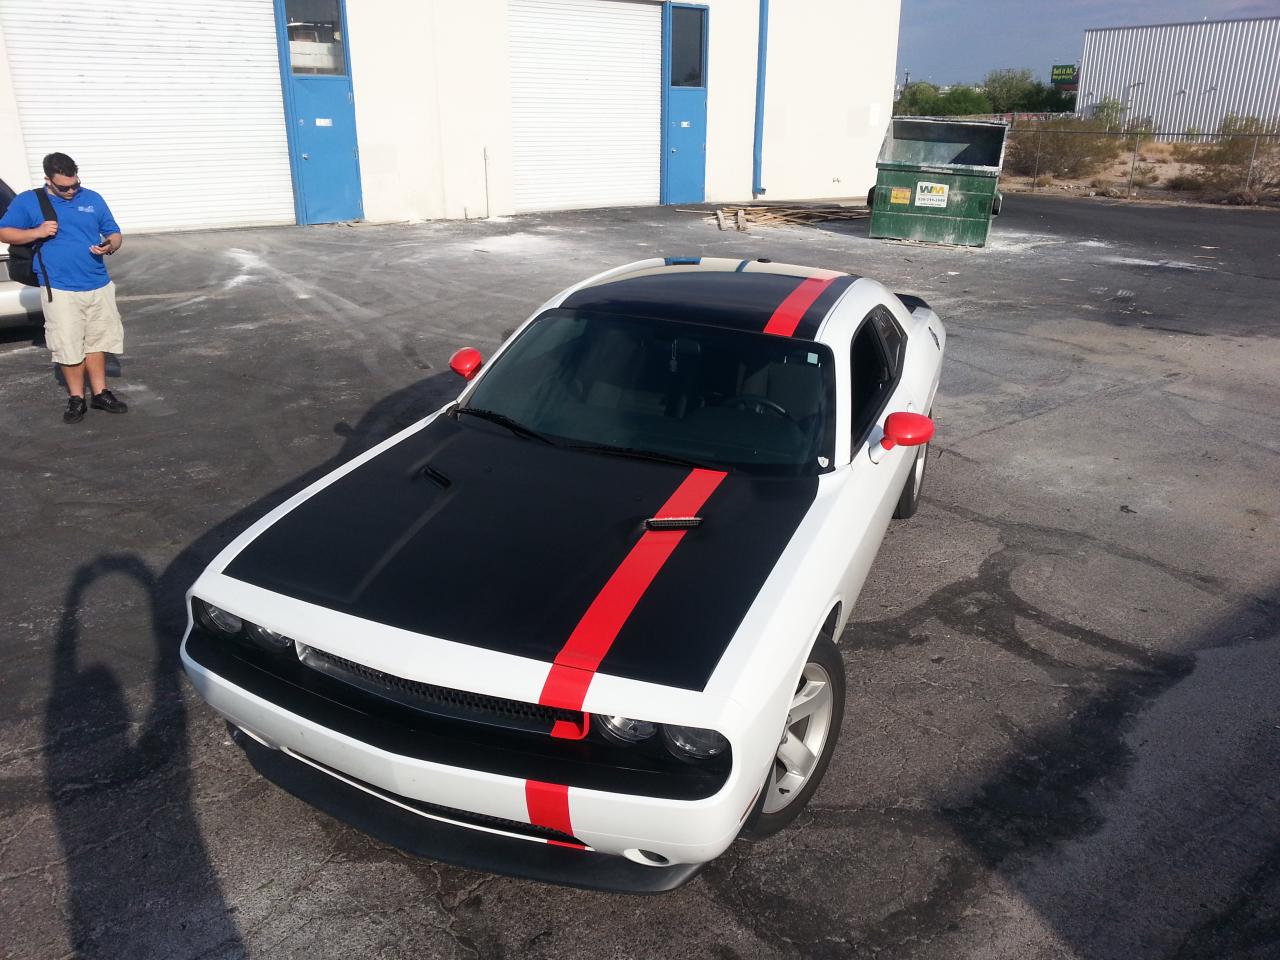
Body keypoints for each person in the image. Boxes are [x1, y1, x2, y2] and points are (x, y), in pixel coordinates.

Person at [0, 152, 126, 423]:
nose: (71, 191)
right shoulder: (29, 201)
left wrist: (110, 245)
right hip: (59, 287)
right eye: (64, 187)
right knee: (68, 345)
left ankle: (101, 393)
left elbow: (114, 232)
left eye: (75, 185)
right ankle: (76, 398)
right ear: (48, 180)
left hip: (97, 283)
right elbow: (4, 232)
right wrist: (36, 232)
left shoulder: (92, 198)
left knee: (97, 341)